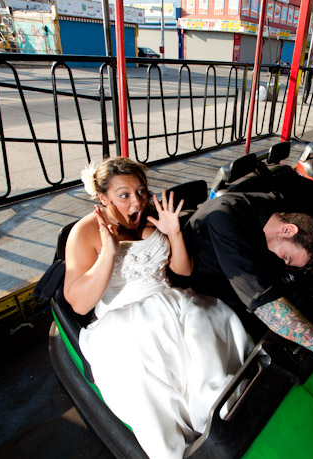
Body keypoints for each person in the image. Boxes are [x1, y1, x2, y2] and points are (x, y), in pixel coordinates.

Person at [63, 157, 253, 459]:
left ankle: (221, 416)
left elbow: (184, 270)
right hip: (123, 315)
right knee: (147, 361)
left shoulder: (151, 216)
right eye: (123, 195)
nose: (136, 201)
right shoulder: (84, 232)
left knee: (203, 329)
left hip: (171, 298)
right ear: (103, 197)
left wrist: (174, 232)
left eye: (140, 191)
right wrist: (108, 253)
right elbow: (78, 301)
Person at [177, 192, 313, 396]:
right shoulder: (225, 221)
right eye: (286, 259)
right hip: (216, 299)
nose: (285, 263)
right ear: (288, 231)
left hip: (263, 288)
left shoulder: (285, 206)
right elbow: (264, 303)